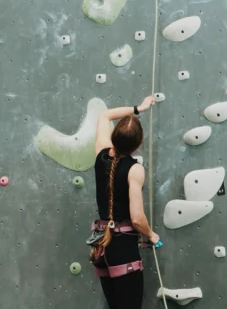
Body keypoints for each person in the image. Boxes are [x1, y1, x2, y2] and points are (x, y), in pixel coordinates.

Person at [88, 96, 160, 308]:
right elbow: (137, 218)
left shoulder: (100, 155)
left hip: (102, 246)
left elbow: (105, 114)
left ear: (113, 136)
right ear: (139, 143)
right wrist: (152, 235)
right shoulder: (134, 169)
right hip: (122, 249)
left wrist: (139, 108)